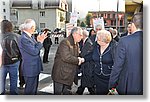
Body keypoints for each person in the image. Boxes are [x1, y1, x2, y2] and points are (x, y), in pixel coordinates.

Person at [109, 12, 143, 95]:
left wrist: (112, 85)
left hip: (130, 86)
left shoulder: (125, 41)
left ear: (133, 24)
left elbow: (118, 65)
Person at [52, 27, 84, 95]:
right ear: (74, 34)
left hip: (69, 75)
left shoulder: (76, 43)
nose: (82, 37)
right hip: (61, 75)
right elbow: (66, 57)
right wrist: (78, 60)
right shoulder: (65, 42)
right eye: (80, 35)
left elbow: (76, 55)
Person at [18, 19, 47, 95]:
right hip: (30, 68)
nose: (35, 28)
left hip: (33, 68)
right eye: (34, 27)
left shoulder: (29, 37)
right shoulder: (24, 38)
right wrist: (40, 42)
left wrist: (38, 41)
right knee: (30, 91)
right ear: (32, 27)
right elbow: (34, 51)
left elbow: (35, 48)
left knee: (33, 90)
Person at [0, 20, 21, 95]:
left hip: (2, 63)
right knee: (14, 80)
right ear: (10, 27)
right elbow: (20, 49)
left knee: (1, 80)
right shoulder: (16, 36)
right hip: (14, 61)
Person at [92, 30, 114, 95]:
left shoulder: (114, 47)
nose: (96, 40)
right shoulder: (96, 45)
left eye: (98, 38)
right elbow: (92, 55)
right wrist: (83, 59)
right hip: (98, 76)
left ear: (103, 39)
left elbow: (118, 63)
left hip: (109, 78)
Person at [76, 30, 95, 95]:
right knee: (85, 81)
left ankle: (80, 91)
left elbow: (87, 54)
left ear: (83, 35)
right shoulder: (84, 42)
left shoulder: (88, 43)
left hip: (87, 65)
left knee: (87, 81)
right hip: (85, 66)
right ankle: (80, 91)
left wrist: (80, 54)